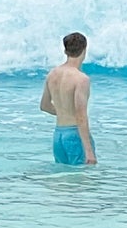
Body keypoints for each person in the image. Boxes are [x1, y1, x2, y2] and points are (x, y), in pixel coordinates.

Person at [40, 32, 97, 166]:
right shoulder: (81, 79)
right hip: (75, 136)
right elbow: (80, 116)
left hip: (58, 136)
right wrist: (89, 151)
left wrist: (63, 111)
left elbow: (44, 106)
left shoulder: (52, 74)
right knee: (82, 182)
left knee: (64, 180)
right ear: (84, 49)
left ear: (65, 50)